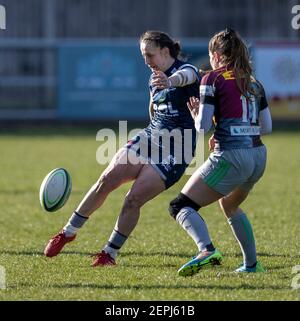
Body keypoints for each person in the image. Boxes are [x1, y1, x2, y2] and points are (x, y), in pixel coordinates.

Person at [44, 30, 201, 266]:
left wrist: (169, 81)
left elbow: (187, 75)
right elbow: (154, 109)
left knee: (132, 199)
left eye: (150, 55)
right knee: (107, 178)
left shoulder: (187, 72)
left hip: (176, 151)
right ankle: (68, 232)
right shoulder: (153, 77)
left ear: (165, 51)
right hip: (151, 138)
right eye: (142, 56)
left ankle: (109, 253)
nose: (146, 61)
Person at [169, 28, 272, 276]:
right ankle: (251, 265)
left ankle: (206, 250)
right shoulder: (254, 82)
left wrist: (195, 116)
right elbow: (266, 127)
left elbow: (203, 126)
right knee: (230, 205)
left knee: (180, 206)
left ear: (215, 54)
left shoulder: (212, 79)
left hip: (231, 157)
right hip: (258, 156)